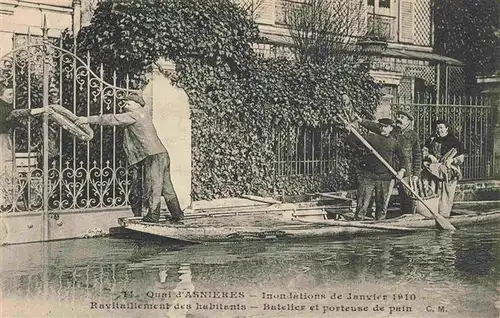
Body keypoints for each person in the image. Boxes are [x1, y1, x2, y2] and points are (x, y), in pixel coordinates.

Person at [75, 93, 184, 223]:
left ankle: (153, 216)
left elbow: (111, 119)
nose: (125, 105)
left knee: (154, 186)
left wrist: (87, 119)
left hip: (152, 156)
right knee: (167, 187)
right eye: (125, 103)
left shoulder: (135, 114)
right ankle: (177, 213)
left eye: (128, 103)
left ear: (137, 105)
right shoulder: (144, 114)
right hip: (162, 154)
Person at [356, 110, 422, 216]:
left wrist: (416, 174)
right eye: (399, 116)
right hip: (389, 169)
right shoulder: (392, 130)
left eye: (402, 118)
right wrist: (361, 121)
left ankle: (406, 218)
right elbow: (375, 126)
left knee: (406, 197)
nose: (399, 119)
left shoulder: (413, 136)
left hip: (404, 170)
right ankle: (381, 217)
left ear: (408, 122)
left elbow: (417, 156)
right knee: (384, 197)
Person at [347, 118, 408, 221]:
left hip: (384, 178)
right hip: (368, 176)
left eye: (385, 127)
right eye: (381, 126)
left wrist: (402, 171)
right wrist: (349, 132)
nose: (382, 128)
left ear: (391, 128)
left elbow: (403, 157)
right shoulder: (371, 137)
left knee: (382, 205)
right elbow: (355, 143)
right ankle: (358, 223)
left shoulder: (393, 142)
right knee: (362, 203)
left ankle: (380, 225)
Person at [0, 85, 48, 209]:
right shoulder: (3, 108)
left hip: (6, 139)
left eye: (12, 94)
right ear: (1, 95)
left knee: (7, 168)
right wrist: (37, 110)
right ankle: (5, 201)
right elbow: (16, 114)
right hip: (2, 141)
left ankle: (7, 200)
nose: (12, 97)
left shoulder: (7, 107)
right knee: (5, 168)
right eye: (9, 94)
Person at [422, 119, 464, 218]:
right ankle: (432, 216)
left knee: (445, 196)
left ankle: (444, 216)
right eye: (437, 128)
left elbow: (461, 157)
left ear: (446, 129)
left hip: (447, 174)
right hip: (433, 171)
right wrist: (429, 156)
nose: (439, 130)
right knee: (432, 193)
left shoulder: (454, 141)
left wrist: (452, 160)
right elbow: (424, 151)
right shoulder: (432, 140)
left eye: (441, 128)